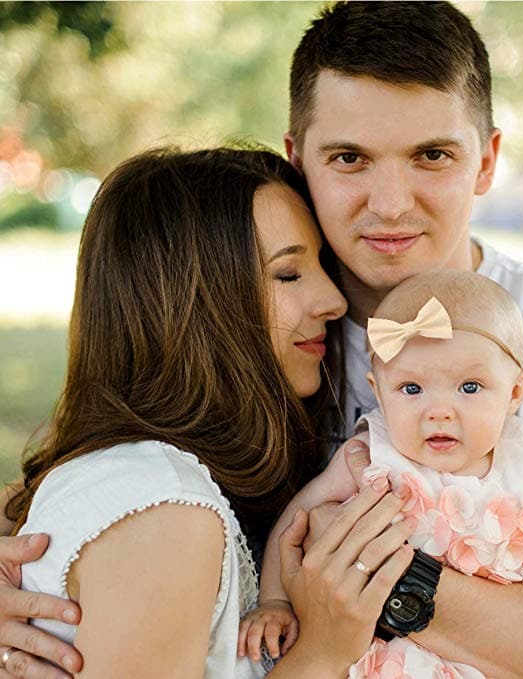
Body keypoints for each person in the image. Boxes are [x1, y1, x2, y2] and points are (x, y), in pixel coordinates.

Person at [0, 2, 523, 677]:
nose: (388, 202)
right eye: (349, 157)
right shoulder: (250, 320)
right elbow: (117, 463)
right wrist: (35, 567)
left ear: (486, 160)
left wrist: (379, 584)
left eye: (431, 155)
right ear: (297, 159)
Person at [0, 146, 420, 679]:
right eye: (288, 274)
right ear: (191, 301)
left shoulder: (152, 485)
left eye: (320, 267)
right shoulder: (160, 509)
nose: (334, 300)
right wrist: (323, 651)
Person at [239, 270, 523, 679]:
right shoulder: (370, 455)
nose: (439, 411)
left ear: (515, 392)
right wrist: (275, 600)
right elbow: (299, 522)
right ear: (378, 391)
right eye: (411, 389)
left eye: (470, 387)